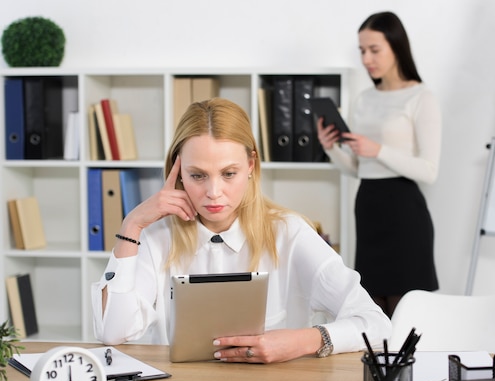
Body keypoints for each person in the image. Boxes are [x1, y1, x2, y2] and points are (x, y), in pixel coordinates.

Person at [92, 97, 391, 363]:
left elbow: (376, 323)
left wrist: (303, 341)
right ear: (178, 170)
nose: (214, 192)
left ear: (250, 165)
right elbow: (113, 333)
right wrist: (131, 225)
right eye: (197, 175)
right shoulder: (156, 236)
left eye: (228, 174)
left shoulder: (290, 233)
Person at [317, 11, 442, 318]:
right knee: (373, 316)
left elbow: (429, 170)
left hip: (404, 211)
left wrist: (378, 149)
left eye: (374, 49)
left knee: (406, 314)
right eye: (362, 50)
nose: (366, 58)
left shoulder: (420, 97)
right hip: (369, 207)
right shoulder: (364, 99)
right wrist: (330, 149)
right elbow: (359, 169)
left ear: (396, 47)